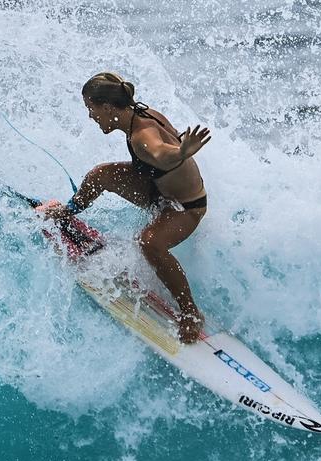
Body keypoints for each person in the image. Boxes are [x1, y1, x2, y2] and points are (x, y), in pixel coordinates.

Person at [38, 72, 211, 343]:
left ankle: (190, 312)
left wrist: (180, 153)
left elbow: (159, 153)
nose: (91, 117)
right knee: (101, 175)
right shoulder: (139, 113)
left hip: (185, 206)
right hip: (159, 190)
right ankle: (68, 211)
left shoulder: (141, 136)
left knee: (149, 242)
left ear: (107, 108)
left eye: (91, 109)